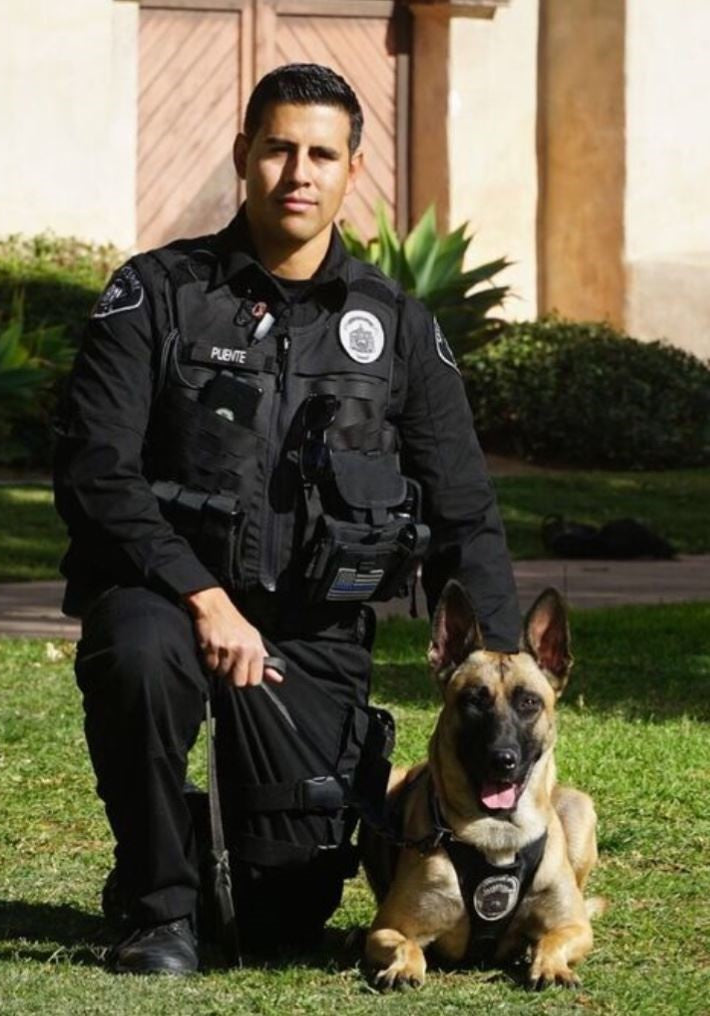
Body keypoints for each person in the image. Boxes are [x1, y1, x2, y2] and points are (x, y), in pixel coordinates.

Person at [53, 63, 520, 976]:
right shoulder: (156, 294)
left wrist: (501, 677)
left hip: (312, 623)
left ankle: (191, 831)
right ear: (243, 156)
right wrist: (203, 597)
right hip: (168, 594)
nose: (296, 172)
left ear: (352, 170)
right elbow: (94, 471)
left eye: (320, 153)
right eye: (277, 149)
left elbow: (464, 508)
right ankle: (159, 908)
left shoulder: (397, 327)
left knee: (282, 920)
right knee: (140, 659)